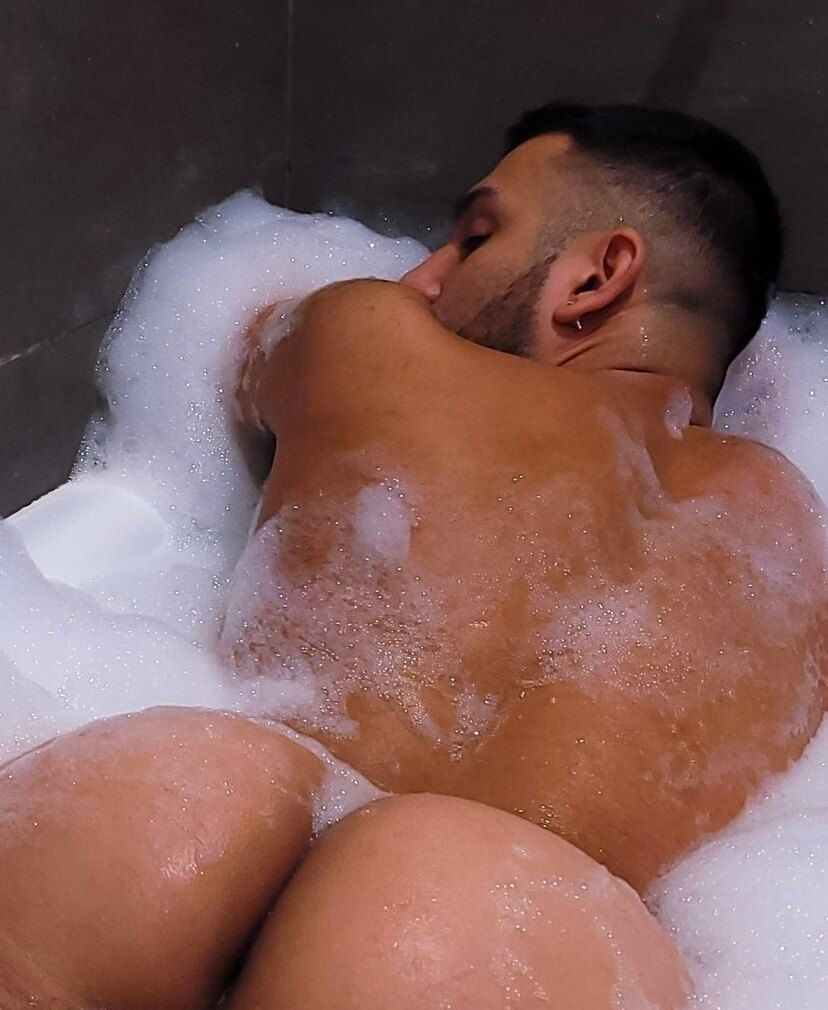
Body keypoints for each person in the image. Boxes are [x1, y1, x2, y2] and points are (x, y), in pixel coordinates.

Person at [1, 104, 824, 1009]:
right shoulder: (792, 533)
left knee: (189, 794)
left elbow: (235, 350)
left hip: (181, 805)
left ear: (597, 277)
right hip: (523, 928)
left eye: (476, 237)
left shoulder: (374, 339)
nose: (425, 278)